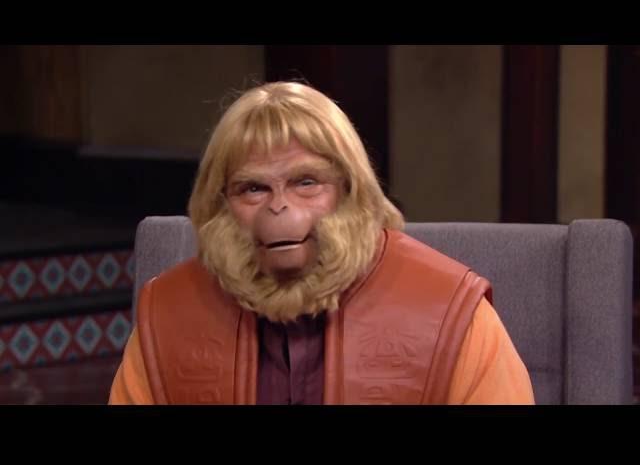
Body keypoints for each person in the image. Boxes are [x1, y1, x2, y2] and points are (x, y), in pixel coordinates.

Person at [109, 81, 534, 405]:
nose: (278, 207)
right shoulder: (166, 319)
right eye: (253, 189)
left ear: (350, 190)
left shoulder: (452, 313)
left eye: (306, 182)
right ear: (220, 205)